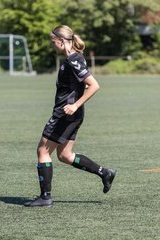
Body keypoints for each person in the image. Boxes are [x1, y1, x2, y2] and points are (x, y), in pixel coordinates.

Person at [24, 25, 116, 207]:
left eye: (53, 42)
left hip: (65, 114)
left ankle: (45, 197)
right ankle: (104, 172)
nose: (53, 46)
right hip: (71, 114)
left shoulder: (74, 60)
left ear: (61, 40)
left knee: (43, 151)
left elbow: (94, 85)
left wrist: (74, 105)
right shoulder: (72, 59)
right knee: (65, 155)